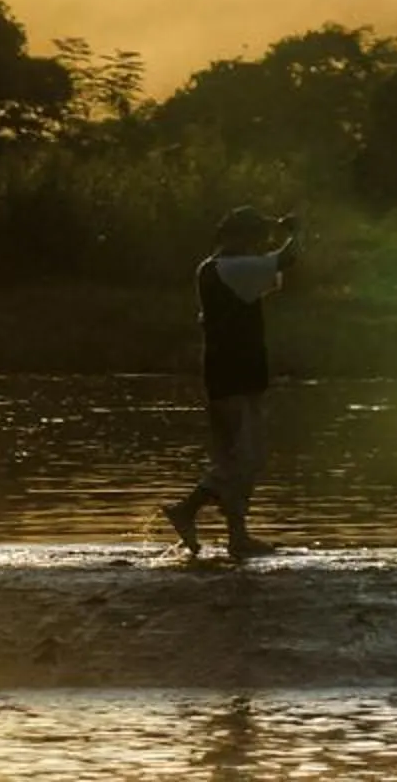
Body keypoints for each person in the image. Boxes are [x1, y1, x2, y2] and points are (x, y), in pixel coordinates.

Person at [162, 204, 299, 560]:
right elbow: (288, 259)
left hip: (228, 373)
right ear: (239, 237)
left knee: (237, 455)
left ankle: (236, 535)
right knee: (244, 456)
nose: (258, 246)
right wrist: (297, 232)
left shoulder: (215, 268)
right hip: (234, 374)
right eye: (255, 238)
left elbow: (271, 275)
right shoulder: (230, 268)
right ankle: (189, 510)